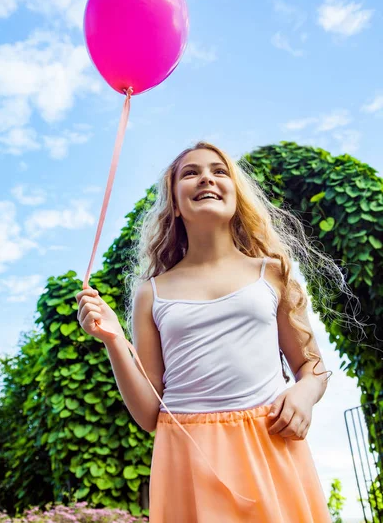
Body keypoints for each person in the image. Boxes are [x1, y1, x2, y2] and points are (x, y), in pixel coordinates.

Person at [76, 140, 359, 522]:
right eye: (190, 173)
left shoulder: (272, 272)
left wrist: (305, 392)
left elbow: (313, 368)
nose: (206, 177)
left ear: (235, 194)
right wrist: (113, 340)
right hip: (187, 454)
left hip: (268, 444)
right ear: (175, 204)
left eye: (219, 170)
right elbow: (148, 413)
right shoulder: (151, 293)